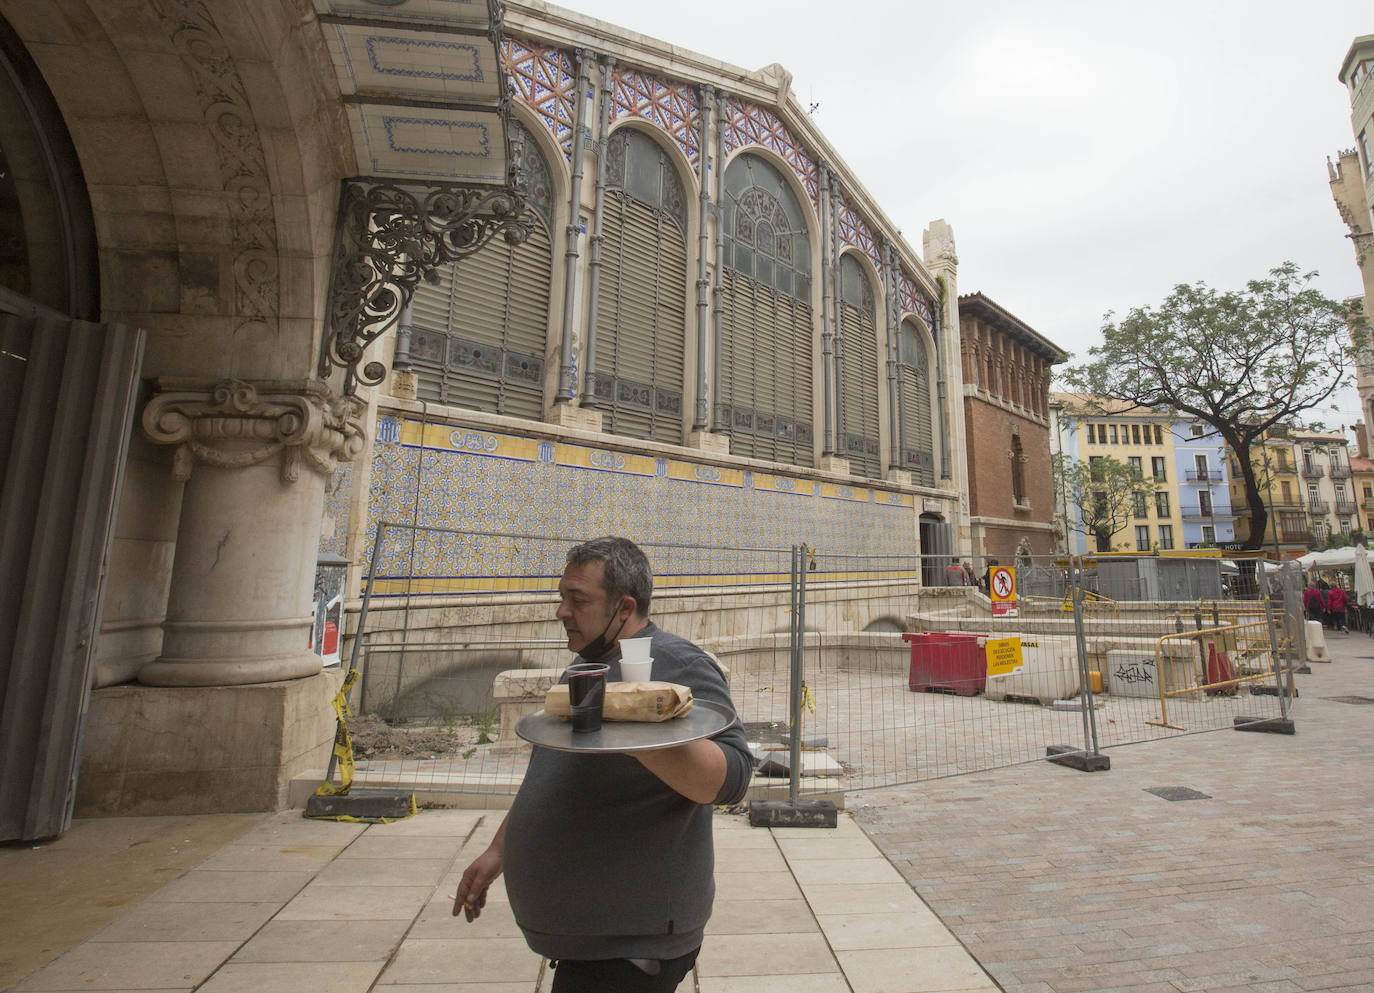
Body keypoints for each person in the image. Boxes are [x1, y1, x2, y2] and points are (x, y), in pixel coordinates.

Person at [453, 536, 752, 992]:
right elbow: (555, 777)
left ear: (624, 608)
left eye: (578, 600)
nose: (561, 611)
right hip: (594, 944)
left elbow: (734, 776)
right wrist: (501, 849)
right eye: (561, 597)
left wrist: (640, 735)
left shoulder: (676, 663)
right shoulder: (584, 668)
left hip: (632, 947)